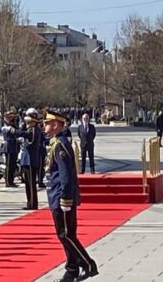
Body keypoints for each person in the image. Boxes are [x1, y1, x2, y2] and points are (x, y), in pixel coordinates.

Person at [44, 110, 98, 282]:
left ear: (55, 125)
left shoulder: (60, 145)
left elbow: (65, 175)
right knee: (66, 233)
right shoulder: (56, 143)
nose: (44, 125)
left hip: (61, 196)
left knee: (65, 234)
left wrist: (65, 199)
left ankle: (88, 264)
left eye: (47, 122)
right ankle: (72, 270)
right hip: (56, 194)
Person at [15, 112, 42, 210]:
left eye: (28, 122)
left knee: (31, 183)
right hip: (27, 159)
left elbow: (24, 134)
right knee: (27, 182)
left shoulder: (34, 130)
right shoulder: (31, 129)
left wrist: (14, 130)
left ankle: (33, 203)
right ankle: (29, 202)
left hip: (31, 159)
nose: (27, 123)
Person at [1, 109, 19, 188]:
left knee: (13, 165)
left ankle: (11, 181)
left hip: (14, 147)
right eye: (11, 117)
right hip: (8, 147)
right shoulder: (6, 127)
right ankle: (8, 181)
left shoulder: (13, 125)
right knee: (8, 166)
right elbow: (8, 137)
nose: (13, 119)